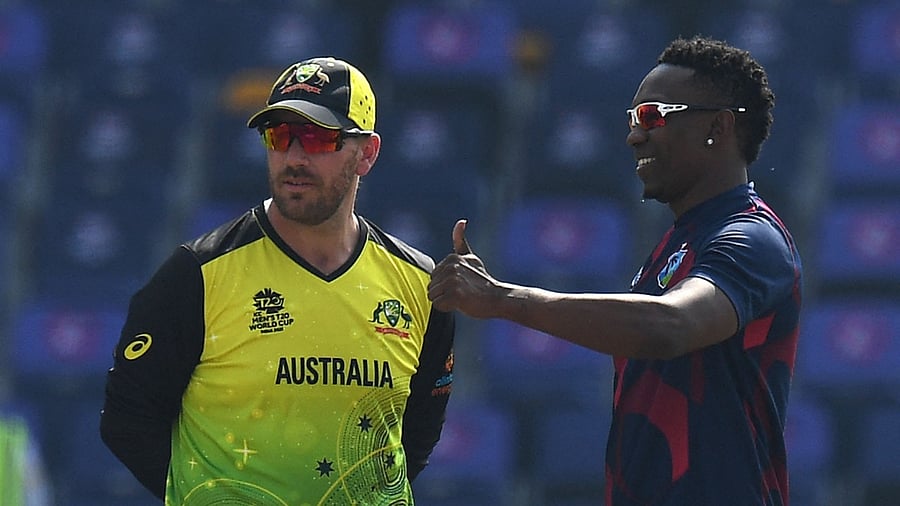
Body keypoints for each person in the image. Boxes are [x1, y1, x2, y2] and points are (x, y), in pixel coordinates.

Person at [428, 36, 802, 506]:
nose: (633, 135)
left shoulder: (753, 239)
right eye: (632, 119)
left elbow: (671, 325)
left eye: (652, 116)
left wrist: (502, 299)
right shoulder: (675, 244)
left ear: (718, 127)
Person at [100, 57, 456, 505]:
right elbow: (127, 419)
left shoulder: (418, 283)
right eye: (279, 137)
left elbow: (419, 430)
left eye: (317, 138)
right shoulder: (198, 274)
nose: (294, 157)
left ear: (367, 152)